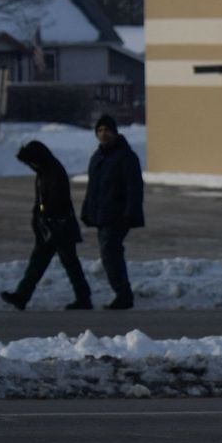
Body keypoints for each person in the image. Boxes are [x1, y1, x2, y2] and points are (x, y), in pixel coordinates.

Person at [0, 140, 92, 310]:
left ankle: (83, 297)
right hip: (51, 227)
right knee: (40, 263)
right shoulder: (45, 171)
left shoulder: (53, 172)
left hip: (58, 226)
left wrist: (44, 215)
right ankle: (22, 296)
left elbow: (55, 201)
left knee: (67, 264)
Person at [81, 114, 145, 310]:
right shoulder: (98, 156)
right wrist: (86, 210)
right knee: (110, 253)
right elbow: (93, 188)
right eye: (99, 130)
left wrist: (130, 213)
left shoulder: (126, 157)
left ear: (115, 132)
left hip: (118, 215)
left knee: (110, 252)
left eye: (107, 130)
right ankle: (122, 294)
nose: (103, 134)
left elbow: (134, 187)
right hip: (102, 214)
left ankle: (123, 295)